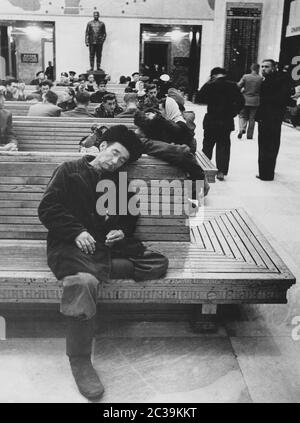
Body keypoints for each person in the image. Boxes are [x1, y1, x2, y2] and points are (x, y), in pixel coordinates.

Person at [38, 125, 168, 401]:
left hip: (101, 247)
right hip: (68, 244)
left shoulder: (119, 181)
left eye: (122, 160)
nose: (115, 162)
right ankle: (80, 359)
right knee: (82, 282)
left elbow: (129, 217)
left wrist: (120, 230)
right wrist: (76, 231)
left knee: (156, 262)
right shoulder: (69, 170)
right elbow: (48, 208)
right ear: (102, 146)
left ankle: (102, 269)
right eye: (114, 153)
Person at [196, 67, 245, 181]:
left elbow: (198, 99)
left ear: (213, 75)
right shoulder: (232, 85)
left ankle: (205, 168)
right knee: (223, 146)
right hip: (226, 121)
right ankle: (221, 171)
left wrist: (207, 82)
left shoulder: (210, 85)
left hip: (211, 120)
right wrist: (233, 113)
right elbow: (241, 102)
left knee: (208, 145)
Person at [255, 59, 291, 181]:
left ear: (274, 67)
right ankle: (266, 171)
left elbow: (279, 99)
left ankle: (266, 173)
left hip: (271, 118)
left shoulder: (278, 80)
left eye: (266, 67)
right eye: (262, 67)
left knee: (267, 145)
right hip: (268, 118)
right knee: (269, 145)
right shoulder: (270, 80)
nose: (263, 69)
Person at [237, 64, 263, 140]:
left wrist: (242, 90)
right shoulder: (260, 78)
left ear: (251, 68)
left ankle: (242, 128)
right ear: (258, 69)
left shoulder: (245, 76)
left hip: (244, 99)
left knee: (242, 115)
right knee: (252, 118)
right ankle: (249, 135)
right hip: (255, 101)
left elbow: (238, 86)